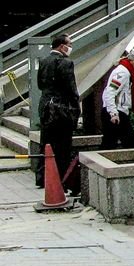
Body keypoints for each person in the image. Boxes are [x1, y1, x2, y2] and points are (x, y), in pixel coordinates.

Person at [36, 33, 80, 189]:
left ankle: (41, 177)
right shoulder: (66, 63)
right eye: (69, 44)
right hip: (61, 108)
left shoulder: (43, 61)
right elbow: (71, 88)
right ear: (62, 46)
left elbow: (40, 84)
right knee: (62, 145)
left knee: (45, 142)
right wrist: (76, 109)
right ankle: (62, 177)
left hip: (45, 105)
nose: (70, 47)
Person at [100, 47, 134, 150]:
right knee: (132, 145)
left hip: (115, 112)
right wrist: (113, 113)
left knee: (109, 144)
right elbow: (109, 92)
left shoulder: (125, 71)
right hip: (116, 113)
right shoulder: (123, 72)